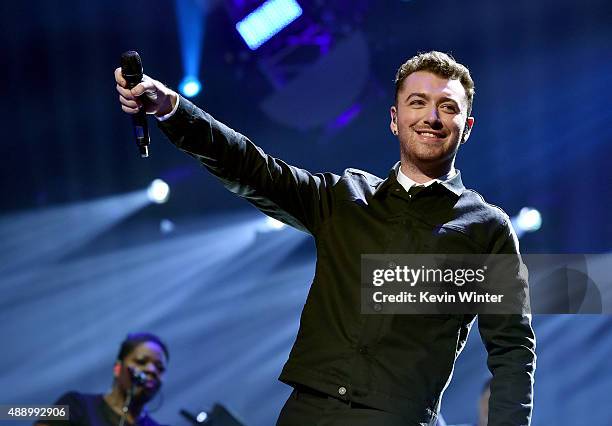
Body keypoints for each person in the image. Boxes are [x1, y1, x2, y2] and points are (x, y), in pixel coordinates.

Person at [115, 51, 536, 425]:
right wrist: (171, 108)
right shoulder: (344, 197)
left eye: (448, 107)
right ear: (394, 118)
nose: (432, 117)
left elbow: (512, 351)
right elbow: (252, 167)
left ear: (467, 127)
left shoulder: (487, 229)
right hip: (307, 409)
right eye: (418, 102)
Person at [37, 333, 169, 426]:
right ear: (117, 368)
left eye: (160, 368)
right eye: (141, 362)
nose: (152, 370)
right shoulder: (75, 404)